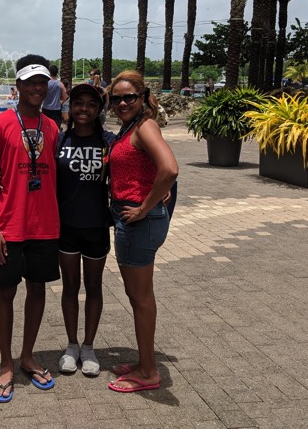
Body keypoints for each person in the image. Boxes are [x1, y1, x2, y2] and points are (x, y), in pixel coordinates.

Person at [0, 54, 61, 403]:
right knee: (6, 292)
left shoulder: (53, 128)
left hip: (45, 225)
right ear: (18, 87)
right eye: (30, 83)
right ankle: (5, 363)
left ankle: (28, 355)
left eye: (42, 82)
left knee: (38, 289)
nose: (37, 88)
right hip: (9, 226)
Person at [106, 70, 179, 393]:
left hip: (138, 222)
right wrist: (155, 195)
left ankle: (148, 372)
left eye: (129, 97)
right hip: (133, 220)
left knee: (141, 298)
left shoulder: (145, 127)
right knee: (137, 296)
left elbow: (170, 169)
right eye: (116, 98)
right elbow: (157, 172)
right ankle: (144, 361)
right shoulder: (130, 128)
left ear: (142, 97)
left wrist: (145, 207)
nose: (122, 102)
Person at [55, 84, 116, 377]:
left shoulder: (109, 141)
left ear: (99, 110)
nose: (83, 109)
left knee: (93, 287)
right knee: (70, 287)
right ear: (69, 107)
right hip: (65, 226)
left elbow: (137, 165)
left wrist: (164, 191)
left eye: (90, 104)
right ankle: (71, 345)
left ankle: (89, 347)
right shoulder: (59, 140)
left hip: (96, 227)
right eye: (77, 103)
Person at [42, 64, 67, 129]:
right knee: (56, 128)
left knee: (45, 128)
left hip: (46, 108)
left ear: (49, 72)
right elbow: (65, 97)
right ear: (57, 73)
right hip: (56, 109)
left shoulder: (46, 83)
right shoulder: (60, 84)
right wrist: (60, 102)